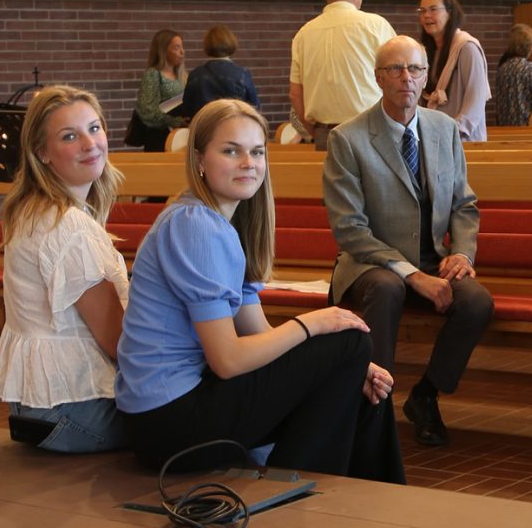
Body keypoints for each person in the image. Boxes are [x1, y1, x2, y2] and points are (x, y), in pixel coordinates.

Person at [115, 99, 404, 482]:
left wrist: (353, 369)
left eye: (256, 152)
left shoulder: (223, 224)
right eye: (230, 151)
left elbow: (259, 333)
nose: (248, 163)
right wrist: (312, 325)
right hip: (170, 422)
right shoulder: (195, 225)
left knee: (360, 379)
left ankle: (355, 496)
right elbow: (228, 359)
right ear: (199, 159)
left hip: (177, 414)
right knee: (350, 341)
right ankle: (299, 489)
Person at [323, 35, 494, 447]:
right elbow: (350, 228)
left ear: (426, 76)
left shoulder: (443, 129)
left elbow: (463, 204)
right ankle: (373, 409)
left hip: (433, 260)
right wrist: (412, 275)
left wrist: (461, 253)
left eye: (415, 69)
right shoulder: (348, 138)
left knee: (476, 301)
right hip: (371, 264)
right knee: (387, 289)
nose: (407, 78)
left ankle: (426, 395)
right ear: (379, 78)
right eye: (395, 69)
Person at [0, 85, 128, 453]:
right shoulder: (69, 226)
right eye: (70, 136)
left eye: (94, 128)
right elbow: (118, 342)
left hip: (35, 408)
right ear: (42, 152)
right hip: (72, 411)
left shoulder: (32, 211)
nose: (90, 143)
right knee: (203, 409)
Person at [290, 0, 396, 150]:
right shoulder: (376, 26)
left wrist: (315, 132)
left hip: (325, 134)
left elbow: (295, 94)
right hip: (370, 129)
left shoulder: (303, 34)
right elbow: (398, 75)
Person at [419, 0, 491, 141]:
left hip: (462, 139)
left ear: (450, 13)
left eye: (433, 9)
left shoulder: (467, 48)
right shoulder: (429, 51)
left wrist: (453, 134)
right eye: (423, 11)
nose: (427, 15)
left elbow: (475, 101)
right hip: (436, 137)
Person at [180, 25, 259, 119]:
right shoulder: (242, 74)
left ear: (207, 45)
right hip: (235, 125)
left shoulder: (195, 75)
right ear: (231, 43)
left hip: (205, 126)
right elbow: (254, 108)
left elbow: (187, 110)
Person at [134, 29, 187, 152]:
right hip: (159, 137)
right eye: (176, 48)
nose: (182, 52)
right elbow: (147, 111)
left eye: (182, 47)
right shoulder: (153, 74)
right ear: (163, 51)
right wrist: (175, 121)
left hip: (179, 137)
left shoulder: (182, 75)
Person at [494, 24, 532, 126]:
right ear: (528, 46)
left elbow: (499, 103)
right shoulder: (531, 69)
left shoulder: (502, 69)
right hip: (527, 126)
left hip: (505, 126)